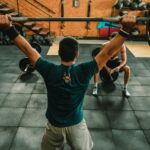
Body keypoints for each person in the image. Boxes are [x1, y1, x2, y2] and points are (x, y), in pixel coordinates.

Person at [0, 15, 136, 150]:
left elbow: (29, 50)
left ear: (58, 52)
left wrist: (8, 28)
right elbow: (108, 52)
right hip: (77, 125)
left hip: (54, 126)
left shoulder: (49, 70)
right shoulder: (84, 71)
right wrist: (126, 29)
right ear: (77, 54)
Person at [92, 32, 131, 97]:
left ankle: (125, 88)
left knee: (127, 68)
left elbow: (124, 60)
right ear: (110, 39)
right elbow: (100, 59)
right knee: (97, 68)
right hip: (105, 61)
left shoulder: (122, 46)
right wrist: (107, 68)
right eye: (113, 41)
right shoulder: (104, 45)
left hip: (115, 61)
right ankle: (95, 87)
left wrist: (119, 67)